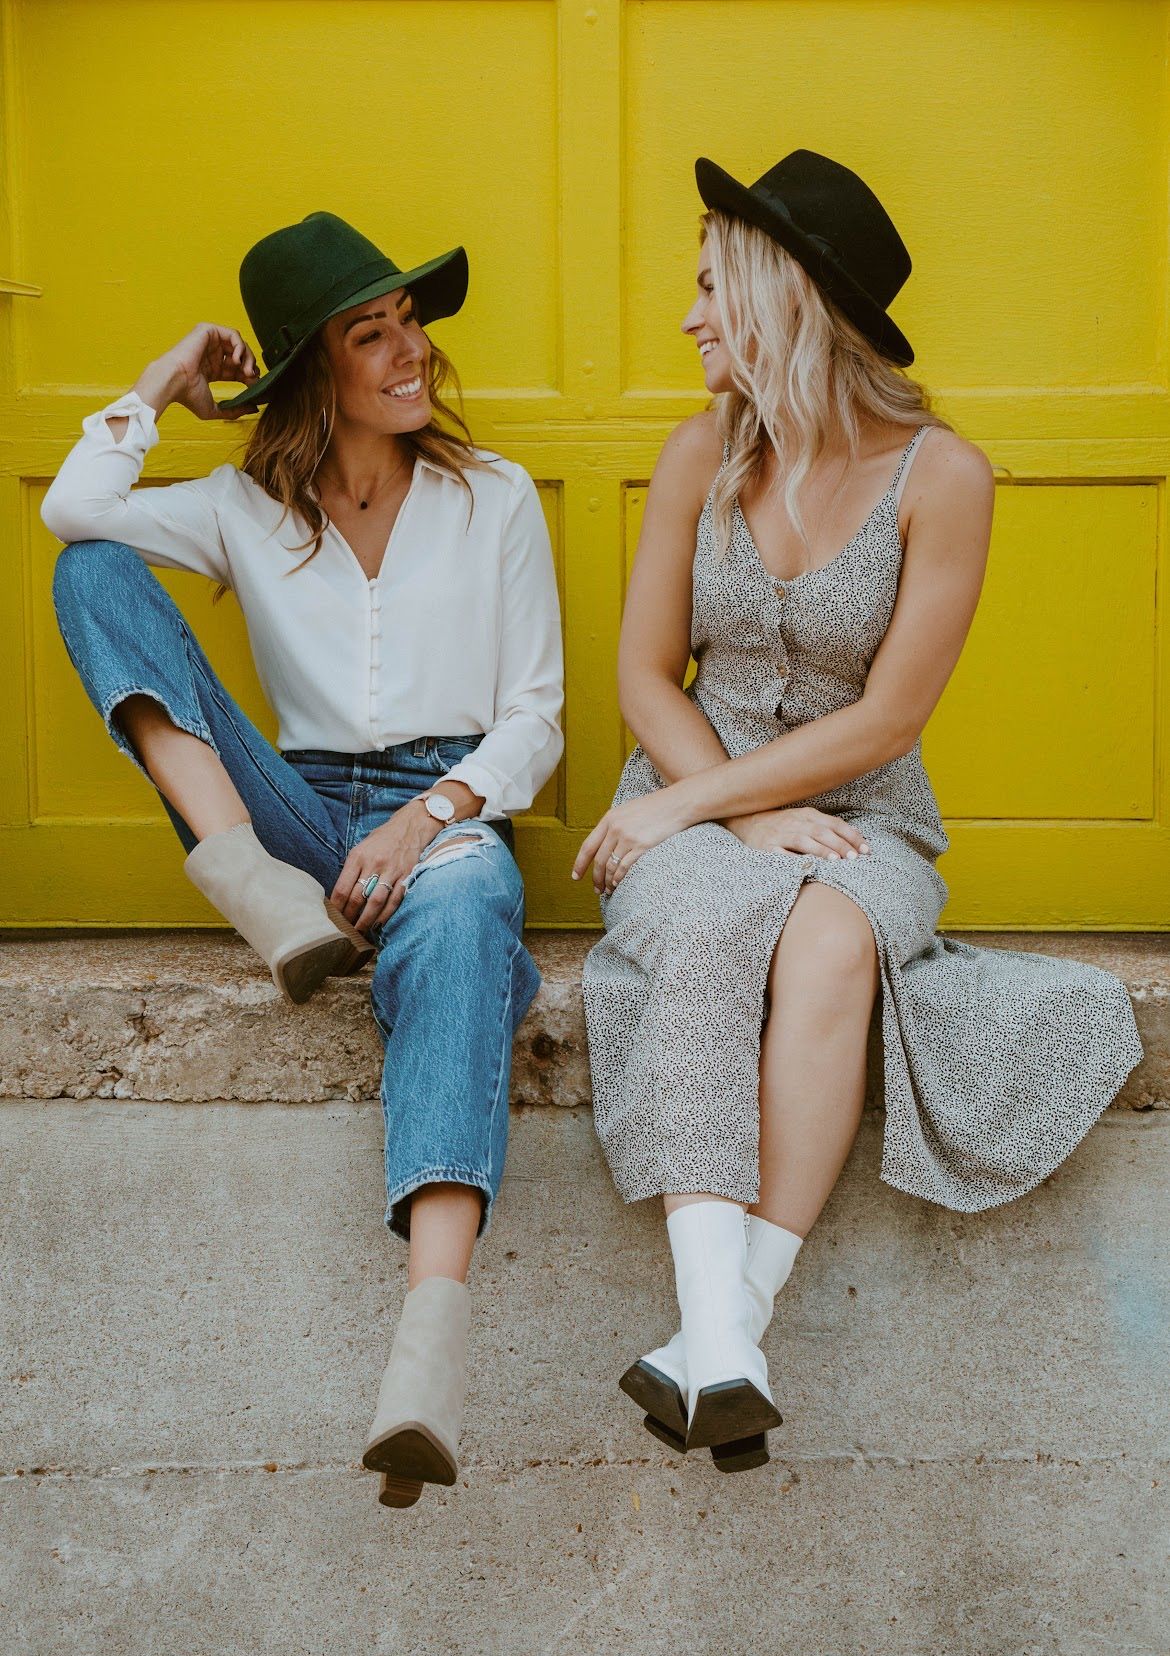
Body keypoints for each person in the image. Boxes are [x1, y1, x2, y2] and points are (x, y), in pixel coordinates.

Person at [575, 150, 1143, 1472]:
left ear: (785, 298)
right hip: (689, 803)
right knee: (718, 927)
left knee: (831, 942)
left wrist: (741, 810)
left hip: (862, 820)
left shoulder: (940, 477)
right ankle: (723, 1341)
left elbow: (888, 721)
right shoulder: (695, 453)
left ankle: (723, 1330)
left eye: (711, 287)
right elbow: (639, 676)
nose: (689, 318)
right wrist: (721, 817)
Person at [41, 211, 564, 1510]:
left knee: (463, 920)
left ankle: (426, 1356)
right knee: (90, 570)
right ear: (306, 374)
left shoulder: (487, 497)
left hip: (436, 810)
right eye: (369, 333)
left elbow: (534, 716)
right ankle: (240, 877)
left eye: (411, 324)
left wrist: (423, 817)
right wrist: (168, 378)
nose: (411, 352)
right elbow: (73, 504)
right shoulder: (241, 506)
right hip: (284, 814)